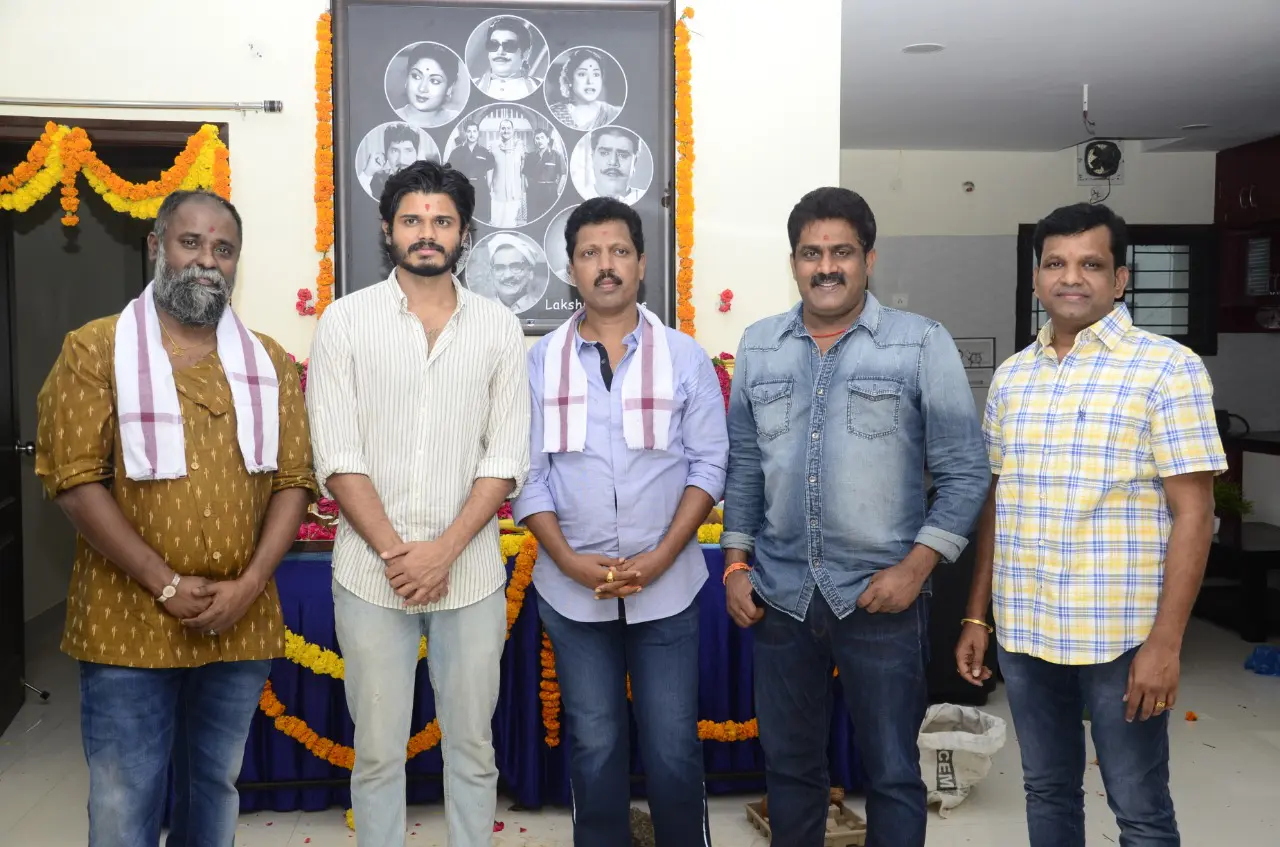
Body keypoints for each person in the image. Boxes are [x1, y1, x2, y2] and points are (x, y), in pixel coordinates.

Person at [34, 189, 316, 847]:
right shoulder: (94, 349)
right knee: (124, 795)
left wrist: (249, 585)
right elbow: (73, 479)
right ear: (155, 247)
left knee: (214, 786)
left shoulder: (269, 363)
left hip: (238, 620)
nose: (207, 261)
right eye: (191, 242)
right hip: (126, 618)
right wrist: (163, 582)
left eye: (224, 249)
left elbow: (294, 481)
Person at [721, 187, 988, 847]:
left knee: (892, 773)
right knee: (789, 769)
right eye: (811, 253)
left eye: (841, 252)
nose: (826, 267)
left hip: (883, 598)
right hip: (780, 596)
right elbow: (746, 466)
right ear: (794, 262)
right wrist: (734, 563)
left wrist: (915, 569)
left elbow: (964, 471)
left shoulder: (918, 343)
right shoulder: (759, 345)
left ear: (868, 258)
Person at [955, 202, 1226, 847]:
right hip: (1026, 630)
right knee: (1047, 791)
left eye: (1090, 264)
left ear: (1119, 279)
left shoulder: (1167, 367)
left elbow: (1195, 513)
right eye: (1055, 263)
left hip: (1122, 637)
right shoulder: (1014, 377)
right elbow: (998, 502)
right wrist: (976, 616)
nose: (1070, 277)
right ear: (1036, 279)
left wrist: (1166, 644)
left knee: (1139, 807)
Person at [306, 159, 530, 847]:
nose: (426, 233)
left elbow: (506, 458)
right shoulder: (345, 322)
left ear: (464, 233)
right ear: (388, 228)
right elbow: (337, 455)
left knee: (472, 747)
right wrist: (399, 554)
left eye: (442, 221)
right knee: (376, 753)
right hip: (370, 573)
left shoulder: (499, 327)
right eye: (412, 219)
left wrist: (442, 553)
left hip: (470, 573)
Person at [513, 197, 728, 846]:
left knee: (672, 745)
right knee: (596, 743)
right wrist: (568, 560)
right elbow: (528, 474)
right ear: (571, 269)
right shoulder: (539, 362)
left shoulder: (684, 356)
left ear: (641, 263)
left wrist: (662, 555)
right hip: (572, 589)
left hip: (667, 585)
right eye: (590, 253)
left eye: (619, 251)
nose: (605, 265)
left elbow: (710, 465)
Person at [549, 47, 624, 131]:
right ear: (569, 79)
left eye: (596, 74)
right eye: (582, 74)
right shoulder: (555, 113)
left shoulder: (614, 113)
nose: (590, 81)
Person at [394, 42, 463, 128]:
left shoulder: (457, 119)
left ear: (450, 87)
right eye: (416, 76)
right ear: (407, 78)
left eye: (434, 81)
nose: (422, 88)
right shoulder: (392, 118)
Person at [474, 16, 540, 100]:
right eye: (493, 45)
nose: (500, 52)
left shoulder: (538, 86)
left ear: (525, 54)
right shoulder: (473, 86)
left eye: (509, 46)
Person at [580, 126, 644, 204]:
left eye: (623, 155)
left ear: (634, 162)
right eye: (604, 153)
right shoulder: (577, 197)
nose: (613, 162)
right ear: (593, 157)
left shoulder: (648, 200)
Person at [447, 120, 495, 223]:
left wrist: (488, 188)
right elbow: (451, 172)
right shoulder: (456, 152)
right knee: (464, 218)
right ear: (465, 133)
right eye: (469, 131)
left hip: (481, 188)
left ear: (478, 133)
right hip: (464, 188)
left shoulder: (485, 152)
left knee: (483, 218)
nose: (472, 134)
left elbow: (490, 171)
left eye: (474, 131)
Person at [363, 123, 424, 201]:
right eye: (395, 151)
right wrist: (368, 172)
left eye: (408, 150)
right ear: (386, 154)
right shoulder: (376, 181)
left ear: (417, 154)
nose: (401, 160)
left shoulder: (426, 181)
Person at [487, 238, 543, 314]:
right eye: (499, 268)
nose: (507, 276)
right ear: (492, 274)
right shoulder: (481, 308)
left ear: (530, 273)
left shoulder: (541, 308)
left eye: (516, 267)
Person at [522, 128, 566, 221]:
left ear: (548, 139)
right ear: (534, 141)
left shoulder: (556, 155)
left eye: (542, 138)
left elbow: (563, 174)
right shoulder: (530, 157)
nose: (540, 141)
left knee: (550, 219)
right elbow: (525, 175)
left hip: (550, 192)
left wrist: (557, 191)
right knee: (533, 218)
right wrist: (528, 189)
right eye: (537, 138)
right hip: (534, 192)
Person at [490, 117, 527, 227]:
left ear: (513, 130)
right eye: (503, 128)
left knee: (511, 224)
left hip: (514, 195)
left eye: (508, 128)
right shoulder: (493, 147)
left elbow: (523, 170)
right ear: (499, 130)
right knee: (496, 223)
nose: (506, 131)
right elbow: (489, 171)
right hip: (497, 194)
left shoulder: (519, 147)